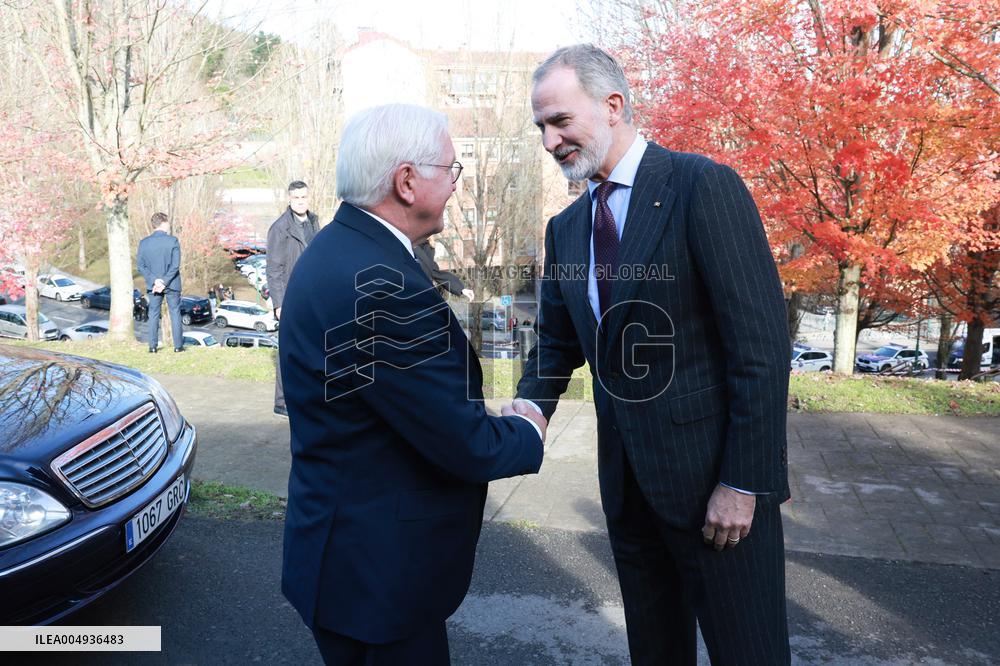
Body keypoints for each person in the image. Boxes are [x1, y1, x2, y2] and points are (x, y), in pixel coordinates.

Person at [514, 45, 791, 665]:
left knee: (751, 654)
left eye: (560, 121)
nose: (550, 140)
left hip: (719, 497)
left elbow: (761, 351)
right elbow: (556, 344)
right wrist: (528, 413)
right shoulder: (566, 228)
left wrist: (743, 482)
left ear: (613, 106)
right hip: (629, 490)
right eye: (541, 127)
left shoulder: (701, 187)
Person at [279, 103, 547, 666]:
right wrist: (526, 430)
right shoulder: (380, 285)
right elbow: (462, 444)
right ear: (407, 181)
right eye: (451, 172)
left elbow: (399, 407)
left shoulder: (340, 249)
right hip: (378, 578)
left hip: (348, 558)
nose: (454, 186)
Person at [267, 180, 319, 417]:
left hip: (312, 296)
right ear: (289, 198)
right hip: (289, 297)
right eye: (297, 197)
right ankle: (282, 401)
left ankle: (306, 395)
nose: (301, 201)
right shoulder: (280, 228)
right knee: (288, 350)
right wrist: (278, 303)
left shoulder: (314, 222)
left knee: (310, 348)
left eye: (304, 197)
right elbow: (274, 269)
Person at [137, 212, 184, 353]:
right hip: (172, 283)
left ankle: (152, 347)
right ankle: (178, 347)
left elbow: (141, 266)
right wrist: (164, 281)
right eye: (168, 222)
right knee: (174, 312)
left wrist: (155, 280)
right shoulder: (173, 241)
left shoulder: (144, 243)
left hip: (154, 285)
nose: (169, 225)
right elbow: (175, 265)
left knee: (153, 314)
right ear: (163, 223)